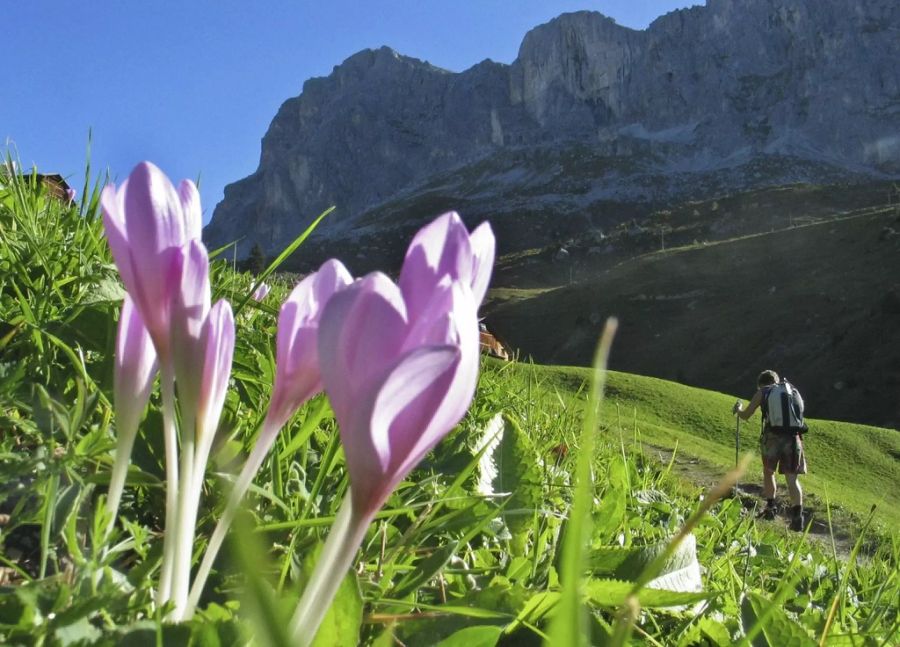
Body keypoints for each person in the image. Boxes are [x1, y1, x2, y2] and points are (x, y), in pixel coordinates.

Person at [732, 370, 808, 531]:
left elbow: (746, 415)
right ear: (776, 381)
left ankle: (770, 508)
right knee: (792, 479)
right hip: (794, 437)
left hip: (773, 437)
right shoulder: (790, 390)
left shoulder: (763, 391)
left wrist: (738, 409)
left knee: (769, 472)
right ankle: (797, 519)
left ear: (761, 383)